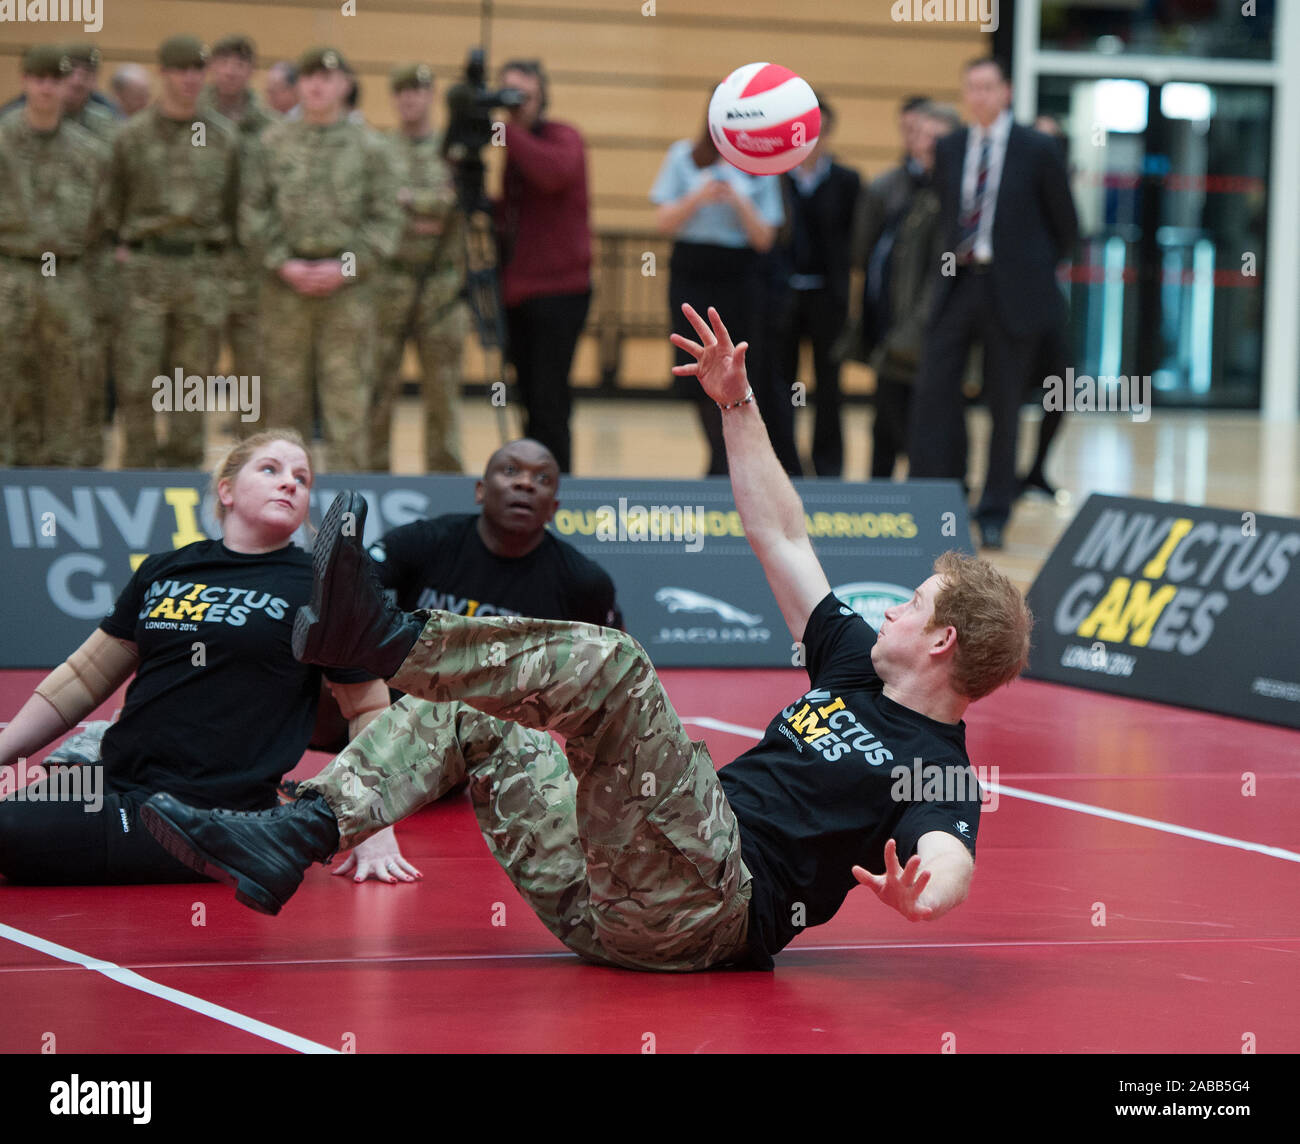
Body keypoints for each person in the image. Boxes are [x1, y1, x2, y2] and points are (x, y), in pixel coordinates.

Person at [141, 305, 1032, 973]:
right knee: (477, 713)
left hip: (710, 908)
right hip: (606, 893)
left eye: (911, 605)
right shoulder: (852, 663)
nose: (889, 613)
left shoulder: (937, 765)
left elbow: (950, 857)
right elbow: (785, 537)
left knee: (617, 666)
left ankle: (382, 638)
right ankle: (292, 835)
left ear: (944, 642)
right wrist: (738, 403)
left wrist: (923, 897)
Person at [0, 430, 414, 886]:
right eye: (270, 469)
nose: (290, 483)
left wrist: (373, 828)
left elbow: (369, 709)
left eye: (302, 477)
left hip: (206, 810)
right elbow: (83, 677)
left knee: (12, 830)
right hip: (117, 778)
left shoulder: (324, 589)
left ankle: (255, 838)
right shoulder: (166, 568)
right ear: (227, 490)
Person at [907, 58, 1078, 550]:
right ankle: (935, 499)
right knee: (934, 393)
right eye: (971, 88)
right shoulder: (951, 146)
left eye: (987, 87)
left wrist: (1028, 269)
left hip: (1011, 292)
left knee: (1004, 405)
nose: (979, 97)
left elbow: (1065, 225)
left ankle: (995, 511)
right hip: (958, 283)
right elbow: (945, 217)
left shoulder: (1037, 148)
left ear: (1006, 92)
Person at [247, 46, 402, 471]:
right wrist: (283, 263)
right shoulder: (270, 143)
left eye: (327, 77)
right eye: (309, 76)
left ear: (345, 85)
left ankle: (347, 521)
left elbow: (386, 219)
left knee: (348, 408)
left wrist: (344, 267)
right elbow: (252, 211)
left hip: (348, 295)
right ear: (298, 84)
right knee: (281, 407)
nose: (317, 84)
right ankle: (279, 512)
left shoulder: (372, 147)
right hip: (283, 291)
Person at [107, 35, 243, 468]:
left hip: (202, 270)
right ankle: (138, 471)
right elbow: (111, 204)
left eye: (196, 70)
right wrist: (124, 247)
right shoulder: (131, 136)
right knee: (137, 378)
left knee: (191, 381)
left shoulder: (223, 137)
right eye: (180, 69)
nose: (189, 78)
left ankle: (183, 471)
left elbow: (236, 206)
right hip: (145, 267)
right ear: (163, 73)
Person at [651, 102, 783, 476]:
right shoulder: (682, 156)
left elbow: (764, 238)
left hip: (739, 274)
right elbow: (663, 222)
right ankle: (718, 457)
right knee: (697, 367)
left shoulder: (762, 167)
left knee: (739, 366)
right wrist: (701, 195)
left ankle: (731, 462)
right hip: (693, 269)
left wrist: (737, 198)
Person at [371, 438, 620, 627]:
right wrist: (364, 686)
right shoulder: (424, 542)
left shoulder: (584, 583)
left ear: (552, 509)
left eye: (542, 478)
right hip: (412, 692)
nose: (525, 483)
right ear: (481, 490)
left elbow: (614, 671)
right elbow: (344, 588)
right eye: (510, 470)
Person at [0, 45, 110, 468]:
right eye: (38, 78)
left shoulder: (90, 153)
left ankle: (59, 480)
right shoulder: (4, 142)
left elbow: (102, 222)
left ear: (67, 84)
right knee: (9, 379)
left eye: (55, 79)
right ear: (25, 81)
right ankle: (8, 478)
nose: (46, 87)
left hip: (67, 278)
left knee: (68, 379)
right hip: (10, 272)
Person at [841, 101, 959, 479]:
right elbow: (868, 251)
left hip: (925, 328)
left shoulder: (951, 195)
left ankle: (936, 497)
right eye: (917, 134)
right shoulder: (893, 185)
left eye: (932, 137)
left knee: (925, 422)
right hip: (889, 319)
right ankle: (884, 495)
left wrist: (917, 326)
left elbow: (944, 272)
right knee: (886, 416)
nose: (921, 143)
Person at [495, 59, 592, 475]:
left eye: (525, 96)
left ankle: (556, 483)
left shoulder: (562, 137)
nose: (516, 105)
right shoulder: (516, 147)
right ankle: (533, 479)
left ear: (542, 97)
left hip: (560, 292)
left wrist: (508, 129)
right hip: (518, 292)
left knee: (550, 399)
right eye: (508, 95)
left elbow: (552, 175)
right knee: (529, 398)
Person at [370, 63, 466, 473]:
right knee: (377, 389)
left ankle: (444, 477)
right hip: (388, 282)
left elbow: (456, 206)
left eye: (418, 90)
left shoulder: (454, 149)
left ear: (431, 95)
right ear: (393, 98)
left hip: (442, 287)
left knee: (441, 392)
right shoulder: (380, 149)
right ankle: (370, 477)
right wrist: (426, 205)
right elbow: (376, 204)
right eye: (402, 91)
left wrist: (408, 202)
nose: (410, 98)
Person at [768, 94, 860, 478]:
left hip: (827, 296)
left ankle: (829, 465)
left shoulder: (847, 180)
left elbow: (854, 240)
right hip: (783, 295)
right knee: (780, 384)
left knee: (829, 384)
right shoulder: (774, 176)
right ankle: (785, 464)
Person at [198, 35, 278, 429]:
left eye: (240, 62)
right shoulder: (190, 118)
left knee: (255, 363)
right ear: (212, 66)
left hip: (253, 264)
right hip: (197, 260)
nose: (230, 69)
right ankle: (182, 463)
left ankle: (255, 459)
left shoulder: (271, 129)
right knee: (192, 364)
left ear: (251, 70)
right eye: (223, 60)